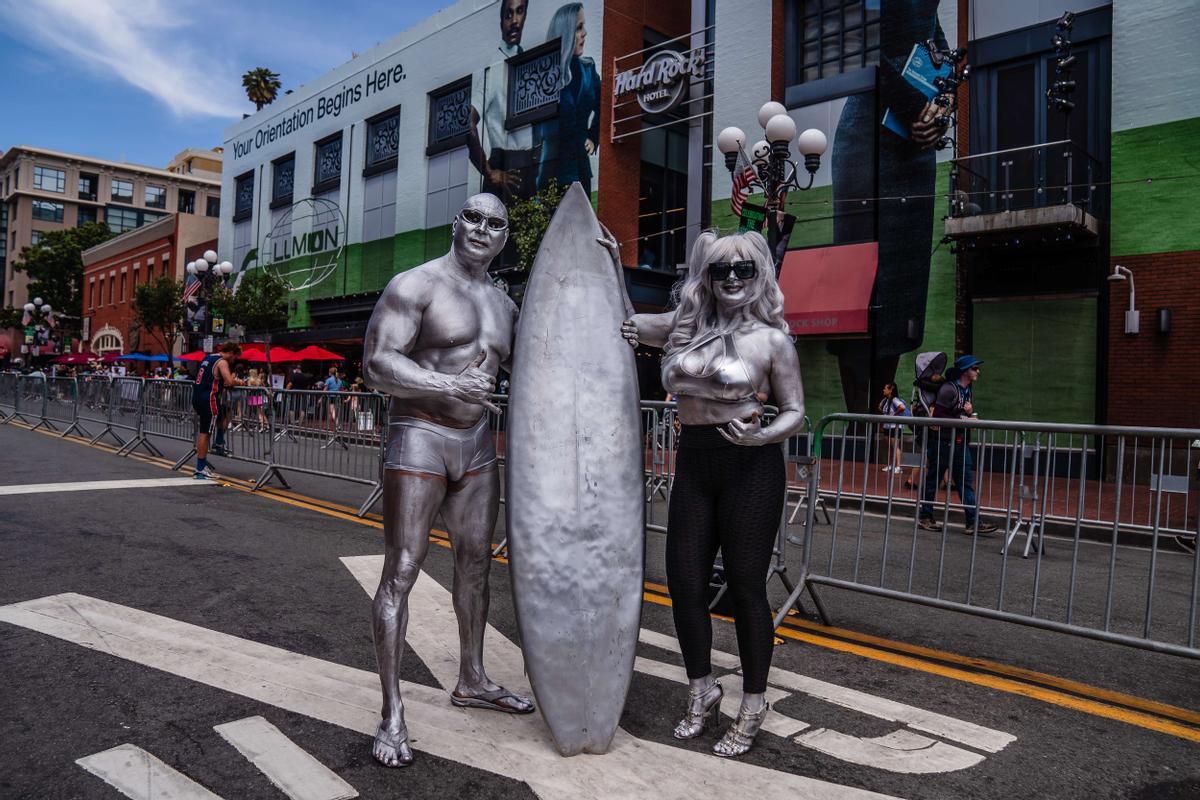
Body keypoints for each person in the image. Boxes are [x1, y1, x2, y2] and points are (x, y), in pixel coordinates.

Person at [361, 193, 533, 768]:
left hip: (478, 445)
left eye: (495, 223)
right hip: (419, 434)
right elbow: (379, 363)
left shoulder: (506, 307)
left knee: (477, 565)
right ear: (455, 223)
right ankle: (391, 711)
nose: (482, 229)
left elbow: (540, 367)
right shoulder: (416, 285)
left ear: (506, 236)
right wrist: (448, 387)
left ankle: (473, 677)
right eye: (473, 217)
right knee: (403, 569)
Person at [621, 230, 806, 758]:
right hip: (696, 460)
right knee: (683, 582)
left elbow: (796, 410)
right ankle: (702, 688)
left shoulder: (773, 341)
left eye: (743, 270)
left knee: (747, 587)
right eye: (721, 270)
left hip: (751, 464)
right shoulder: (686, 328)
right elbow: (628, 322)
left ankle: (753, 702)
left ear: (759, 277)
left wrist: (763, 434)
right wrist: (610, 257)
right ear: (706, 275)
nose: (730, 279)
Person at [918, 355, 998, 535]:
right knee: (933, 479)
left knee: (965, 482)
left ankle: (973, 522)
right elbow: (938, 416)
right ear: (965, 371)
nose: (978, 371)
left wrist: (968, 415)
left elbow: (959, 414)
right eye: (974, 368)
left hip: (959, 443)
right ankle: (925, 516)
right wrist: (965, 418)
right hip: (942, 442)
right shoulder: (949, 389)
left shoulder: (967, 389)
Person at [466, 0, 535, 204]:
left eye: (520, 12)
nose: (514, 21)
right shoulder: (495, 69)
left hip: (529, 164)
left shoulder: (523, 61)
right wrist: (488, 172)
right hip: (506, 164)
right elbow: (467, 125)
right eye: (508, 14)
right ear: (501, 22)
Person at [534, 3, 600, 194]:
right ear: (566, 31)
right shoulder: (547, 76)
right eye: (579, 28)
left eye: (583, 26)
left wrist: (593, 136)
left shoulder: (588, 69)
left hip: (580, 170)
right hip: (554, 172)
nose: (585, 33)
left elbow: (604, 104)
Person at [191, 342, 243, 478]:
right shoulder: (222, 362)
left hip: (198, 397)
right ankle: (200, 468)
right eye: (235, 357)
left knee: (225, 411)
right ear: (231, 352)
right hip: (209, 399)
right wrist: (240, 382)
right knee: (205, 432)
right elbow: (229, 381)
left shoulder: (207, 358)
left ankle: (219, 442)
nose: (234, 360)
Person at [878, 382, 908, 475]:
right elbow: (880, 408)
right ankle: (891, 464)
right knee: (890, 446)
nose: (884, 390)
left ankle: (898, 467)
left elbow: (902, 407)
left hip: (895, 426)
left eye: (885, 388)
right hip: (887, 426)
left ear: (890, 390)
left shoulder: (895, 399)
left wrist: (894, 415)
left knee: (895, 446)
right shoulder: (885, 400)